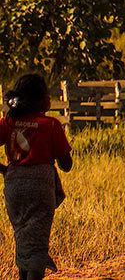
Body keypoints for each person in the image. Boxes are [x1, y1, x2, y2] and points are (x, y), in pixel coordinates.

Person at [1, 72, 72, 280]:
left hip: (13, 186)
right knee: (38, 241)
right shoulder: (50, 125)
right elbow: (66, 165)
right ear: (39, 100)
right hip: (40, 187)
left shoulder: (8, 123)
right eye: (47, 95)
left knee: (22, 235)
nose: (50, 99)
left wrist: (6, 170)